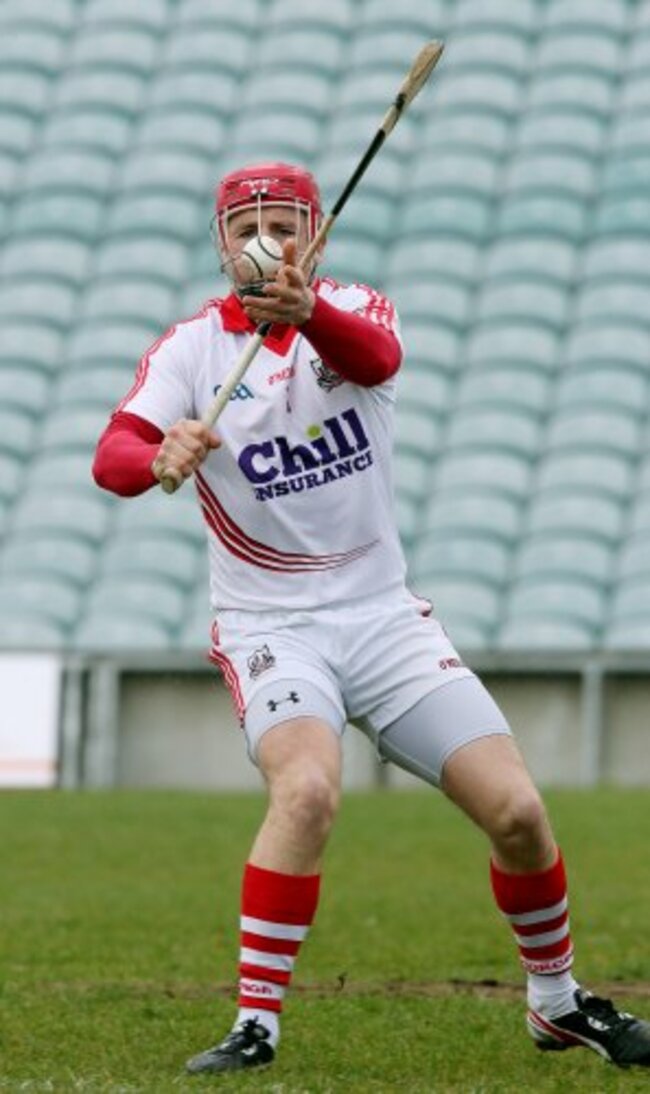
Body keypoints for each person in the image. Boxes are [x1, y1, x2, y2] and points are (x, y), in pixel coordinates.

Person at [93, 161, 650, 1076]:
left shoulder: (354, 311)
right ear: (220, 245)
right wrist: (159, 455)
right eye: (245, 228)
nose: (265, 242)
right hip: (272, 628)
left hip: (384, 620)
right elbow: (113, 453)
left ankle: (556, 1003)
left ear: (316, 237)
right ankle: (256, 1025)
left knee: (518, 813)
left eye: (285, 225)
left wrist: (306, 310)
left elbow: (376, 361)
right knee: (307, 792)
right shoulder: (191, 351)